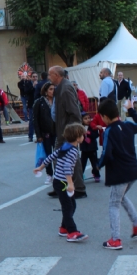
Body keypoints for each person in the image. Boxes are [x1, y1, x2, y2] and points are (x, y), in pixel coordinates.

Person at [97, 99, 137, 250]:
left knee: (113, 203)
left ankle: (116, 239)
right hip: (133, 170)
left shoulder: (109, 131)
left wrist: (98, 165)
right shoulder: (127, 125)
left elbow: (107, 153)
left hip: (120, 173)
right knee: (121, 197)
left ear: (105, 116)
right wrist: (132, 110)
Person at [35, 123, 88, 242]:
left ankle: (64, 228)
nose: (83, 137)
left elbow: (51, 157)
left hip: (59, 182)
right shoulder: (73, 150)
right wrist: (70, 183)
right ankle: (72, 232)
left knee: (71, 205)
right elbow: (67, 167)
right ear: (77, 137)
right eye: (82, 135)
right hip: (63, 182)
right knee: (68, 206)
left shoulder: (65, 147)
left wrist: (41, 167)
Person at [49, 66, 87, 198]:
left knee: (71, 159)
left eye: (50, 75)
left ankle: (79, 188)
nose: (49, 78)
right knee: (58, 158)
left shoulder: (65, 89)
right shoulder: (61, 88)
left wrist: (73, 133)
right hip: (62, 130)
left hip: (68, 131)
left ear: (56, 75)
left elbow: (74, 112)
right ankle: (60, 186)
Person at [33, 82, 56, 185]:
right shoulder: (39, 102)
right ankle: (49, 174)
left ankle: (59, 174)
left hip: (57, 131)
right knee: (48, 154)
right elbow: (35, 120)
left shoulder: (57, 101)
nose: (52, 91)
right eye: (50, 89)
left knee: (58, 153)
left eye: (54, 89)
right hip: (45, 132)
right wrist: (38, 135)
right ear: (46, 91)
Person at [80, 112, 101, 183]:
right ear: (82, 120)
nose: (88, 120)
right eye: (85, 119)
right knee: (82, 164)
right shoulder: (80, 127)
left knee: (94, 163)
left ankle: (96, 174)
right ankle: (80, 176)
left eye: (89, 118)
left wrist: (89, 133)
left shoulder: (92, 126)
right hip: (84, 149)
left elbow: (96, 135)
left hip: (92, 148)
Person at [18, 72, 35, 137]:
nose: (23, 77)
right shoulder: (20, 83)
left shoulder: (29, 82)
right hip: (23, 96)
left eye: (24, 76)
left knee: (29, 107)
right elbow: (23, 89)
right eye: (22, 77)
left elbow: (29, 89)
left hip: (28, 96)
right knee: (24, 107)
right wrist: (25, 86)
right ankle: (26, 118)